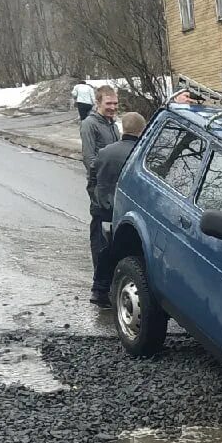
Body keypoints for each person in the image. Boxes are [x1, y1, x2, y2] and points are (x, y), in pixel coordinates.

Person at [89, 111, 146, 304]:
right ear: (142, 130)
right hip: (130, 212)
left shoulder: (105, 152)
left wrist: (97, 202)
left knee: (103, 250)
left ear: (123, 128)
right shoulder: (143, 154)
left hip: (104, 209)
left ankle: (99, 290)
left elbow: (92, 180)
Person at [80, 86, 121, 307]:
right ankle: (99, 289)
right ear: (98, 102)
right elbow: (90, 160)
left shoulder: (112, 124)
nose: (113, 107)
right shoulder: (90, 124)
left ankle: (109, 282)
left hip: (114, 185)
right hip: (99, 186)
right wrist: (106, 172)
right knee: (100, 236)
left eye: (115, 103)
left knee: (111, 234)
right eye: (108, 104)